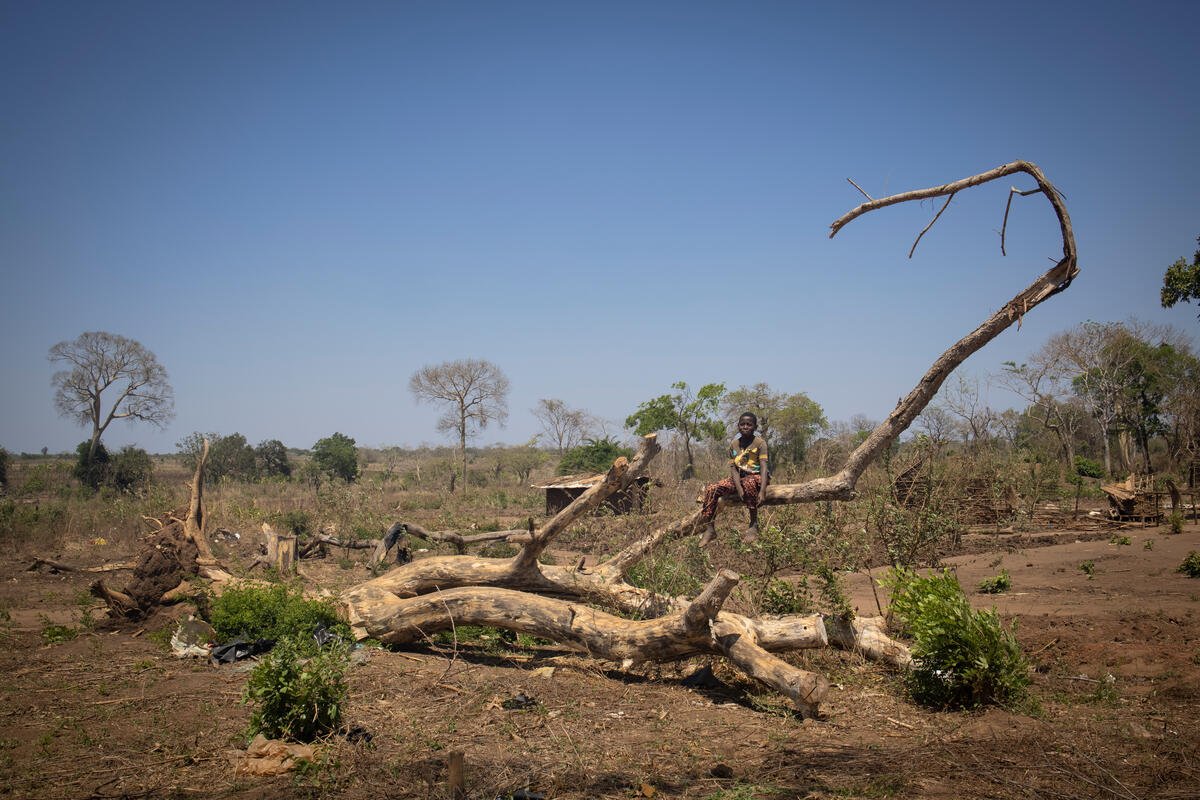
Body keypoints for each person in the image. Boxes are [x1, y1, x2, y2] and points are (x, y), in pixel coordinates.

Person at [699, 412, 769, 546]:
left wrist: (762, 491)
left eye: (749, 424)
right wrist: (738, 488)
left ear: (754, 426)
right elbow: (733, 469)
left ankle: (753, 524)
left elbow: (764, 467)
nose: (745, 427)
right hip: (740, 478)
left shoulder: (760, 443)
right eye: (742, 424)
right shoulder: (734, 445)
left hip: (757, 477)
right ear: (738, 426)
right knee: (711, 488)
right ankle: (710, 528)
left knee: (749, 482)